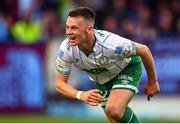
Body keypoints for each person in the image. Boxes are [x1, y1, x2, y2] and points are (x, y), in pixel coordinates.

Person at [55, 7, 160, 123]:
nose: (68, 32)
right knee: (115, 119)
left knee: (113, 110)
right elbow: (60, 83)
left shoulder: (111, 43)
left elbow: (144, 50)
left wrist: (152, 82)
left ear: (89, 30)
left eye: (74, 28)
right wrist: (80, 94)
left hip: (126, 69)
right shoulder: (66, 49)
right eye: (67, 27)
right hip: (102, 81)